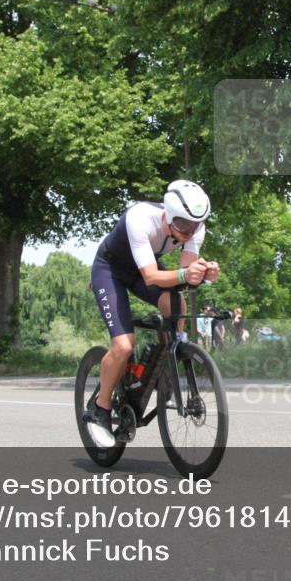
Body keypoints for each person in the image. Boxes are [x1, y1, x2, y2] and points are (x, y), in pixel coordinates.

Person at [82, 180, 220, 446]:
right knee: (123, 345)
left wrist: (203, 275)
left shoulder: (193, 226)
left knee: (176, 304)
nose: (189, 233)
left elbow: (183, 279)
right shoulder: (140, 218)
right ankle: (100, 409)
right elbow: (150, 276)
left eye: (195, 226)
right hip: (111, 270)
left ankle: (165, 370)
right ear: (168, 215)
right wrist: (185, 274)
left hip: (143, 269)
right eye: (182, 226)